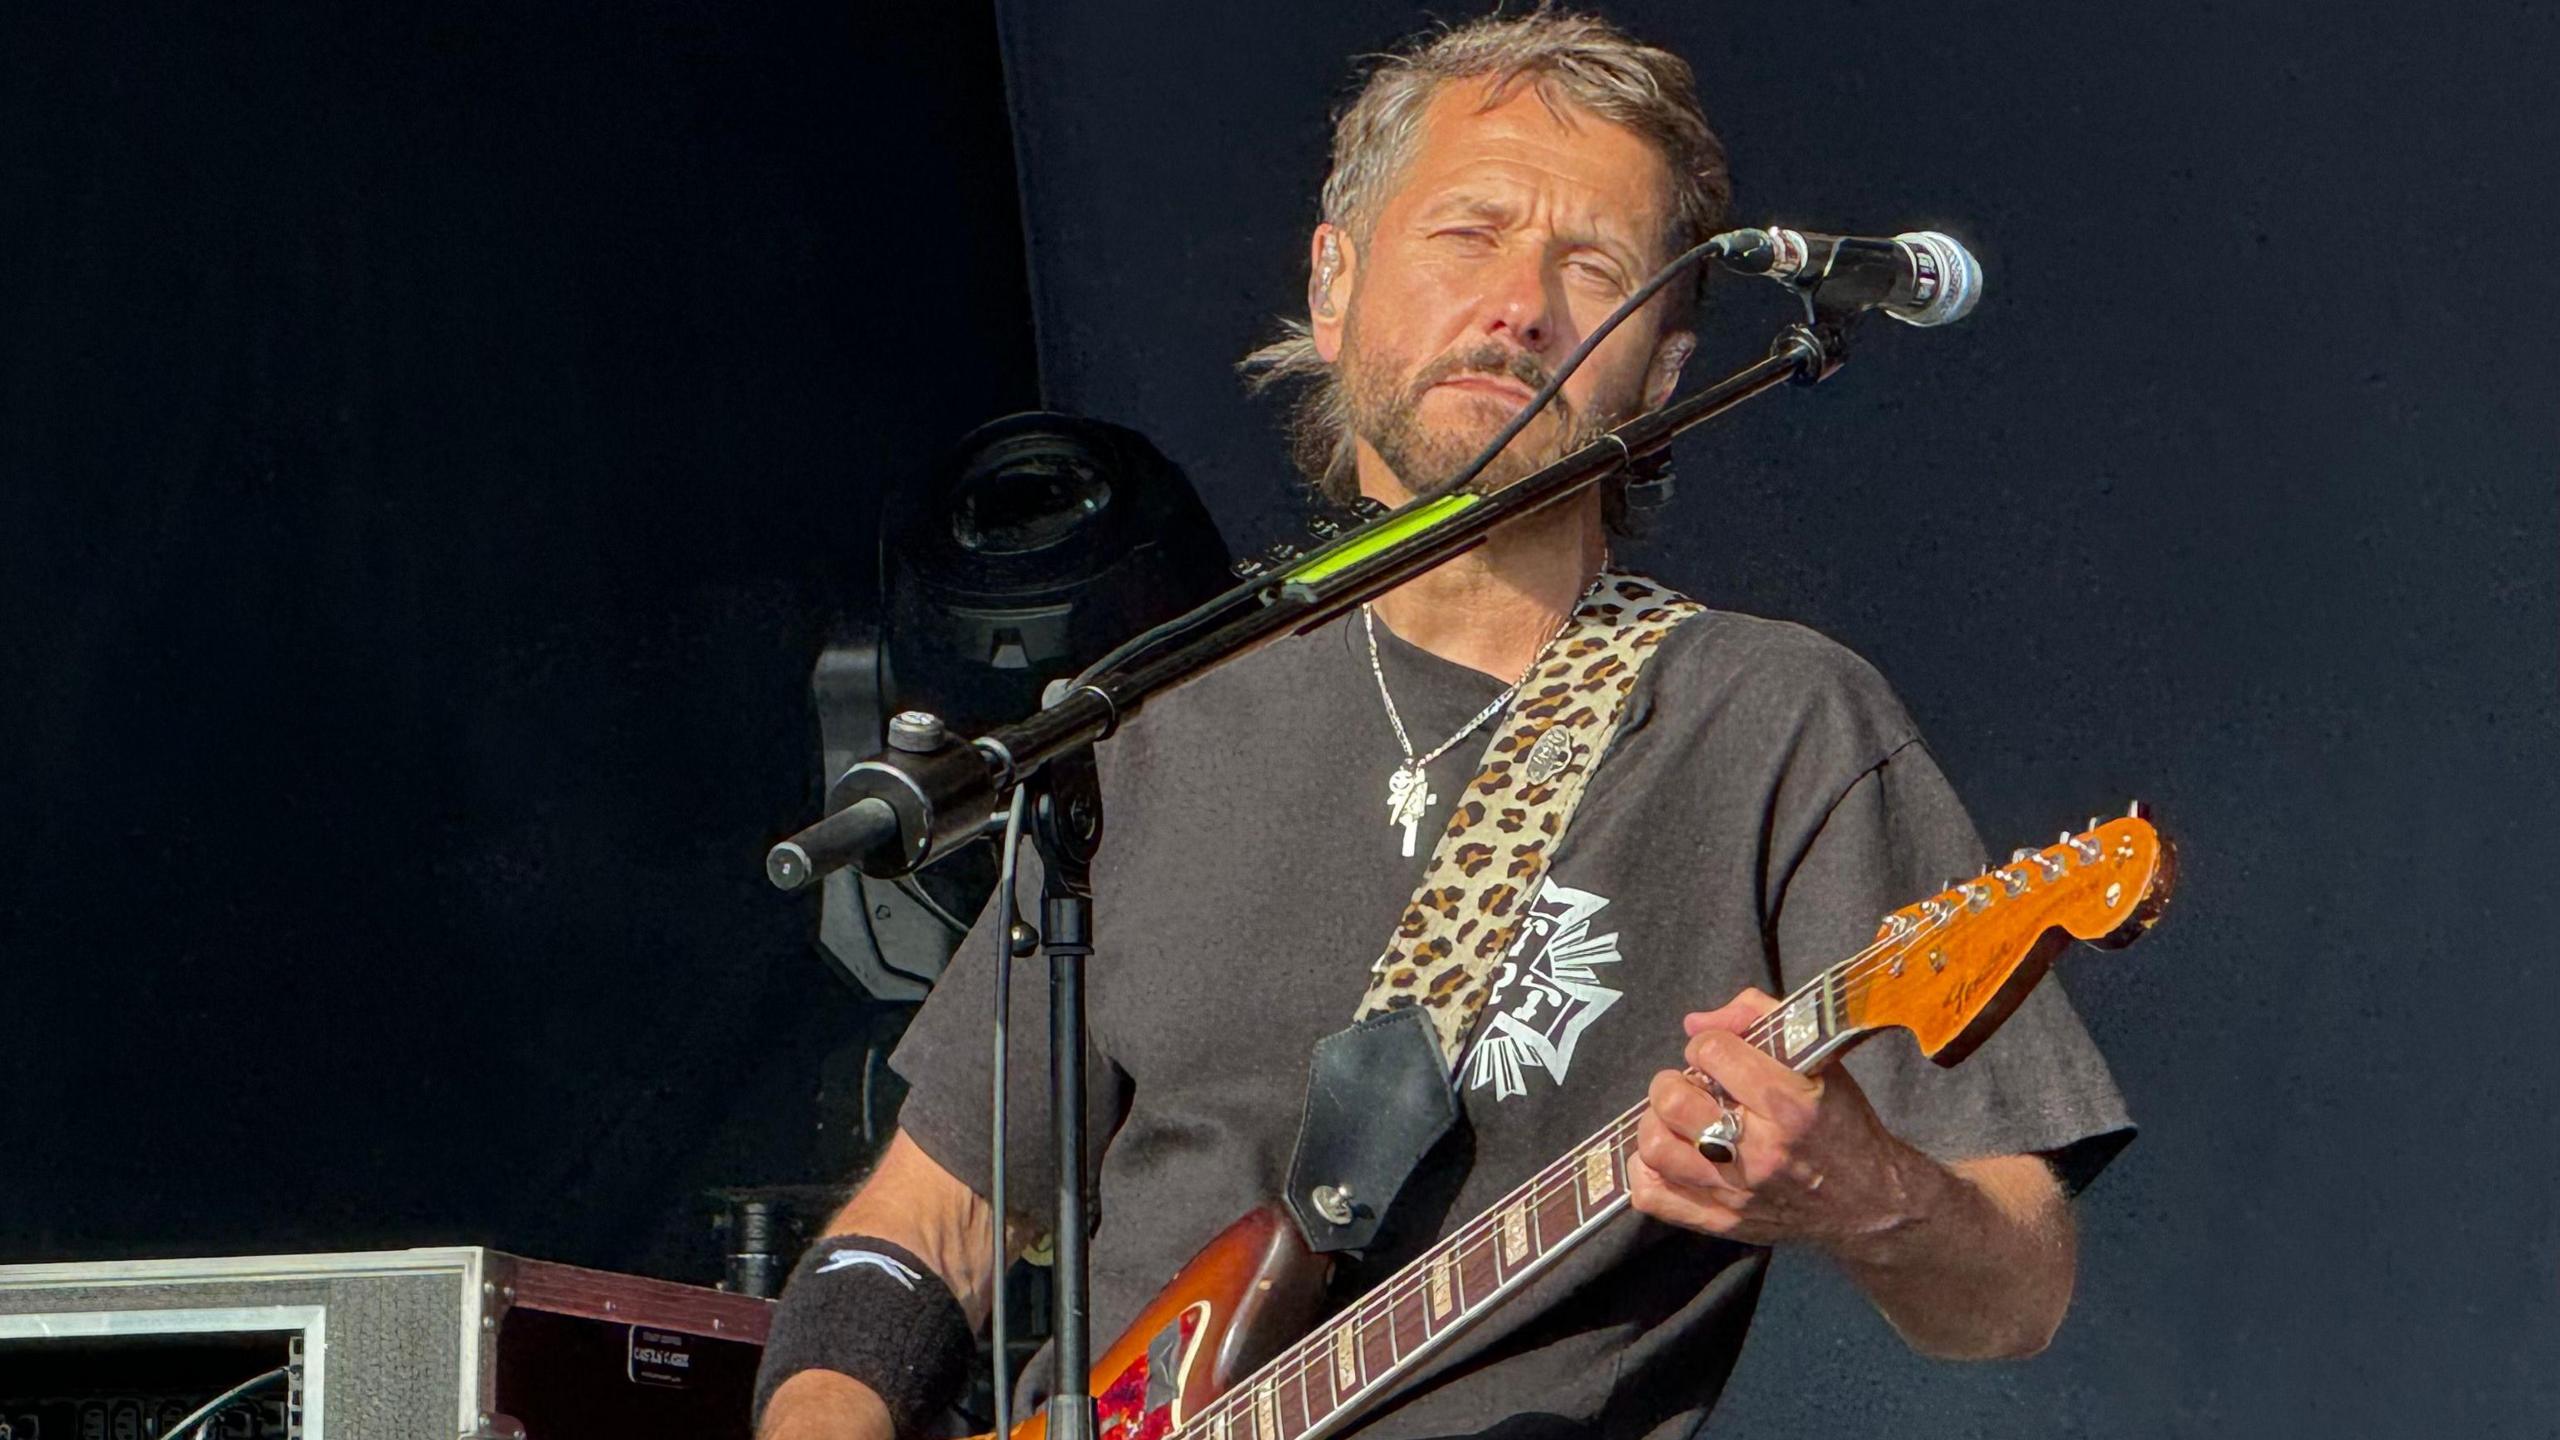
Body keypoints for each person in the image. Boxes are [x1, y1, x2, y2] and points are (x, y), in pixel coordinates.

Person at [755, 10, 2131, 1439]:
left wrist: (1871, 1193)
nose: (1521, 305)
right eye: (1466, 234)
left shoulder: (1771, 723)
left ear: (1660, 369)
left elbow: (2017, 1288)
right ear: (1334, 284)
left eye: (1592, 265)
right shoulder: (1155, 719)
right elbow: (927, 1230)